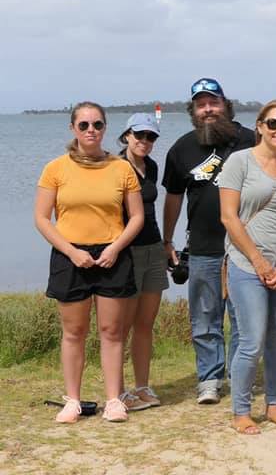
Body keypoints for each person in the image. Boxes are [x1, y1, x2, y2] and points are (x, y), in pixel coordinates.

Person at [35, 102, 144, 423]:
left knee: (112, 331)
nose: (91, 130)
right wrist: (71, 252)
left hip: (113, 254)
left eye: (97, 124)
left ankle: (113, 400)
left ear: (105, 128)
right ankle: (73, 400)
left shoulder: (121, 168)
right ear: (73, 129)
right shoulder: (55, 168)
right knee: (74, 331)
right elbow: (42, 219)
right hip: (70, 255)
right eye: (83, 125)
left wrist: (115, 248)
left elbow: (136, 216)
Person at [163, 77, 256, 405]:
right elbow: (173, 198)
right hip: (203, 248)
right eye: (201, 105)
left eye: (213, 102)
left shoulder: (251, 140)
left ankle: (239, 374)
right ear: (193, 111)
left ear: (225, 105)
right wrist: (167, 239)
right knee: (205, 318)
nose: (208, 110)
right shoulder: (182, 148)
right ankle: (209, 379)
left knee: (244, 318)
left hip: (246, 248)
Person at [219, 101, 276, 435]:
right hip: (246, 266)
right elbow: (228, 217)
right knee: (252, 340)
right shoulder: (238, 162)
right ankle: (241, 410)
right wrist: (258, 262)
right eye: (274, 124)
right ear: (259, 125)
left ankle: (273, 404)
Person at [117, 114, 169, 411]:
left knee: (146, 323)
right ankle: (119, 389)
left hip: (152, 247)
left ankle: (142, 386)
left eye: (151, 137)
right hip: (127, 251)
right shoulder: (115, 166)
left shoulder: (151, 166)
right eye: (139, 135)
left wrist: (165, 243)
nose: (144, 141)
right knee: (120, 326)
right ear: (126, 135)